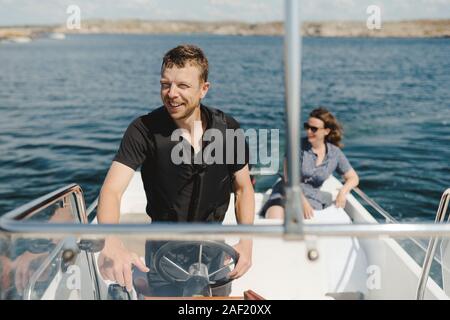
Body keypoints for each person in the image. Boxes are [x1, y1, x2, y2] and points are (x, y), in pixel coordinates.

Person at [96, 44, 255, 295]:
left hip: (215, 254)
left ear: (204, 89)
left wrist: (247, 242)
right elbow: (112, 191)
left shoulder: (228, 128)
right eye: (165, 84)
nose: (171, 94)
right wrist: (111, 241)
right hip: (162, 256)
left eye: (183, 86)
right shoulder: (143, 130)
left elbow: (244, 188)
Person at [263, 107, 359, 220]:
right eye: (307, 127)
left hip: (313, 200)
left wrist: (343, 192)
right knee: (274, 219)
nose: (309, 131)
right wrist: (303, 203)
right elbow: (288, 179)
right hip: (286, 194)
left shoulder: (334, 153)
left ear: (326, 131)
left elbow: (353, 178)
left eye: (314, 129)